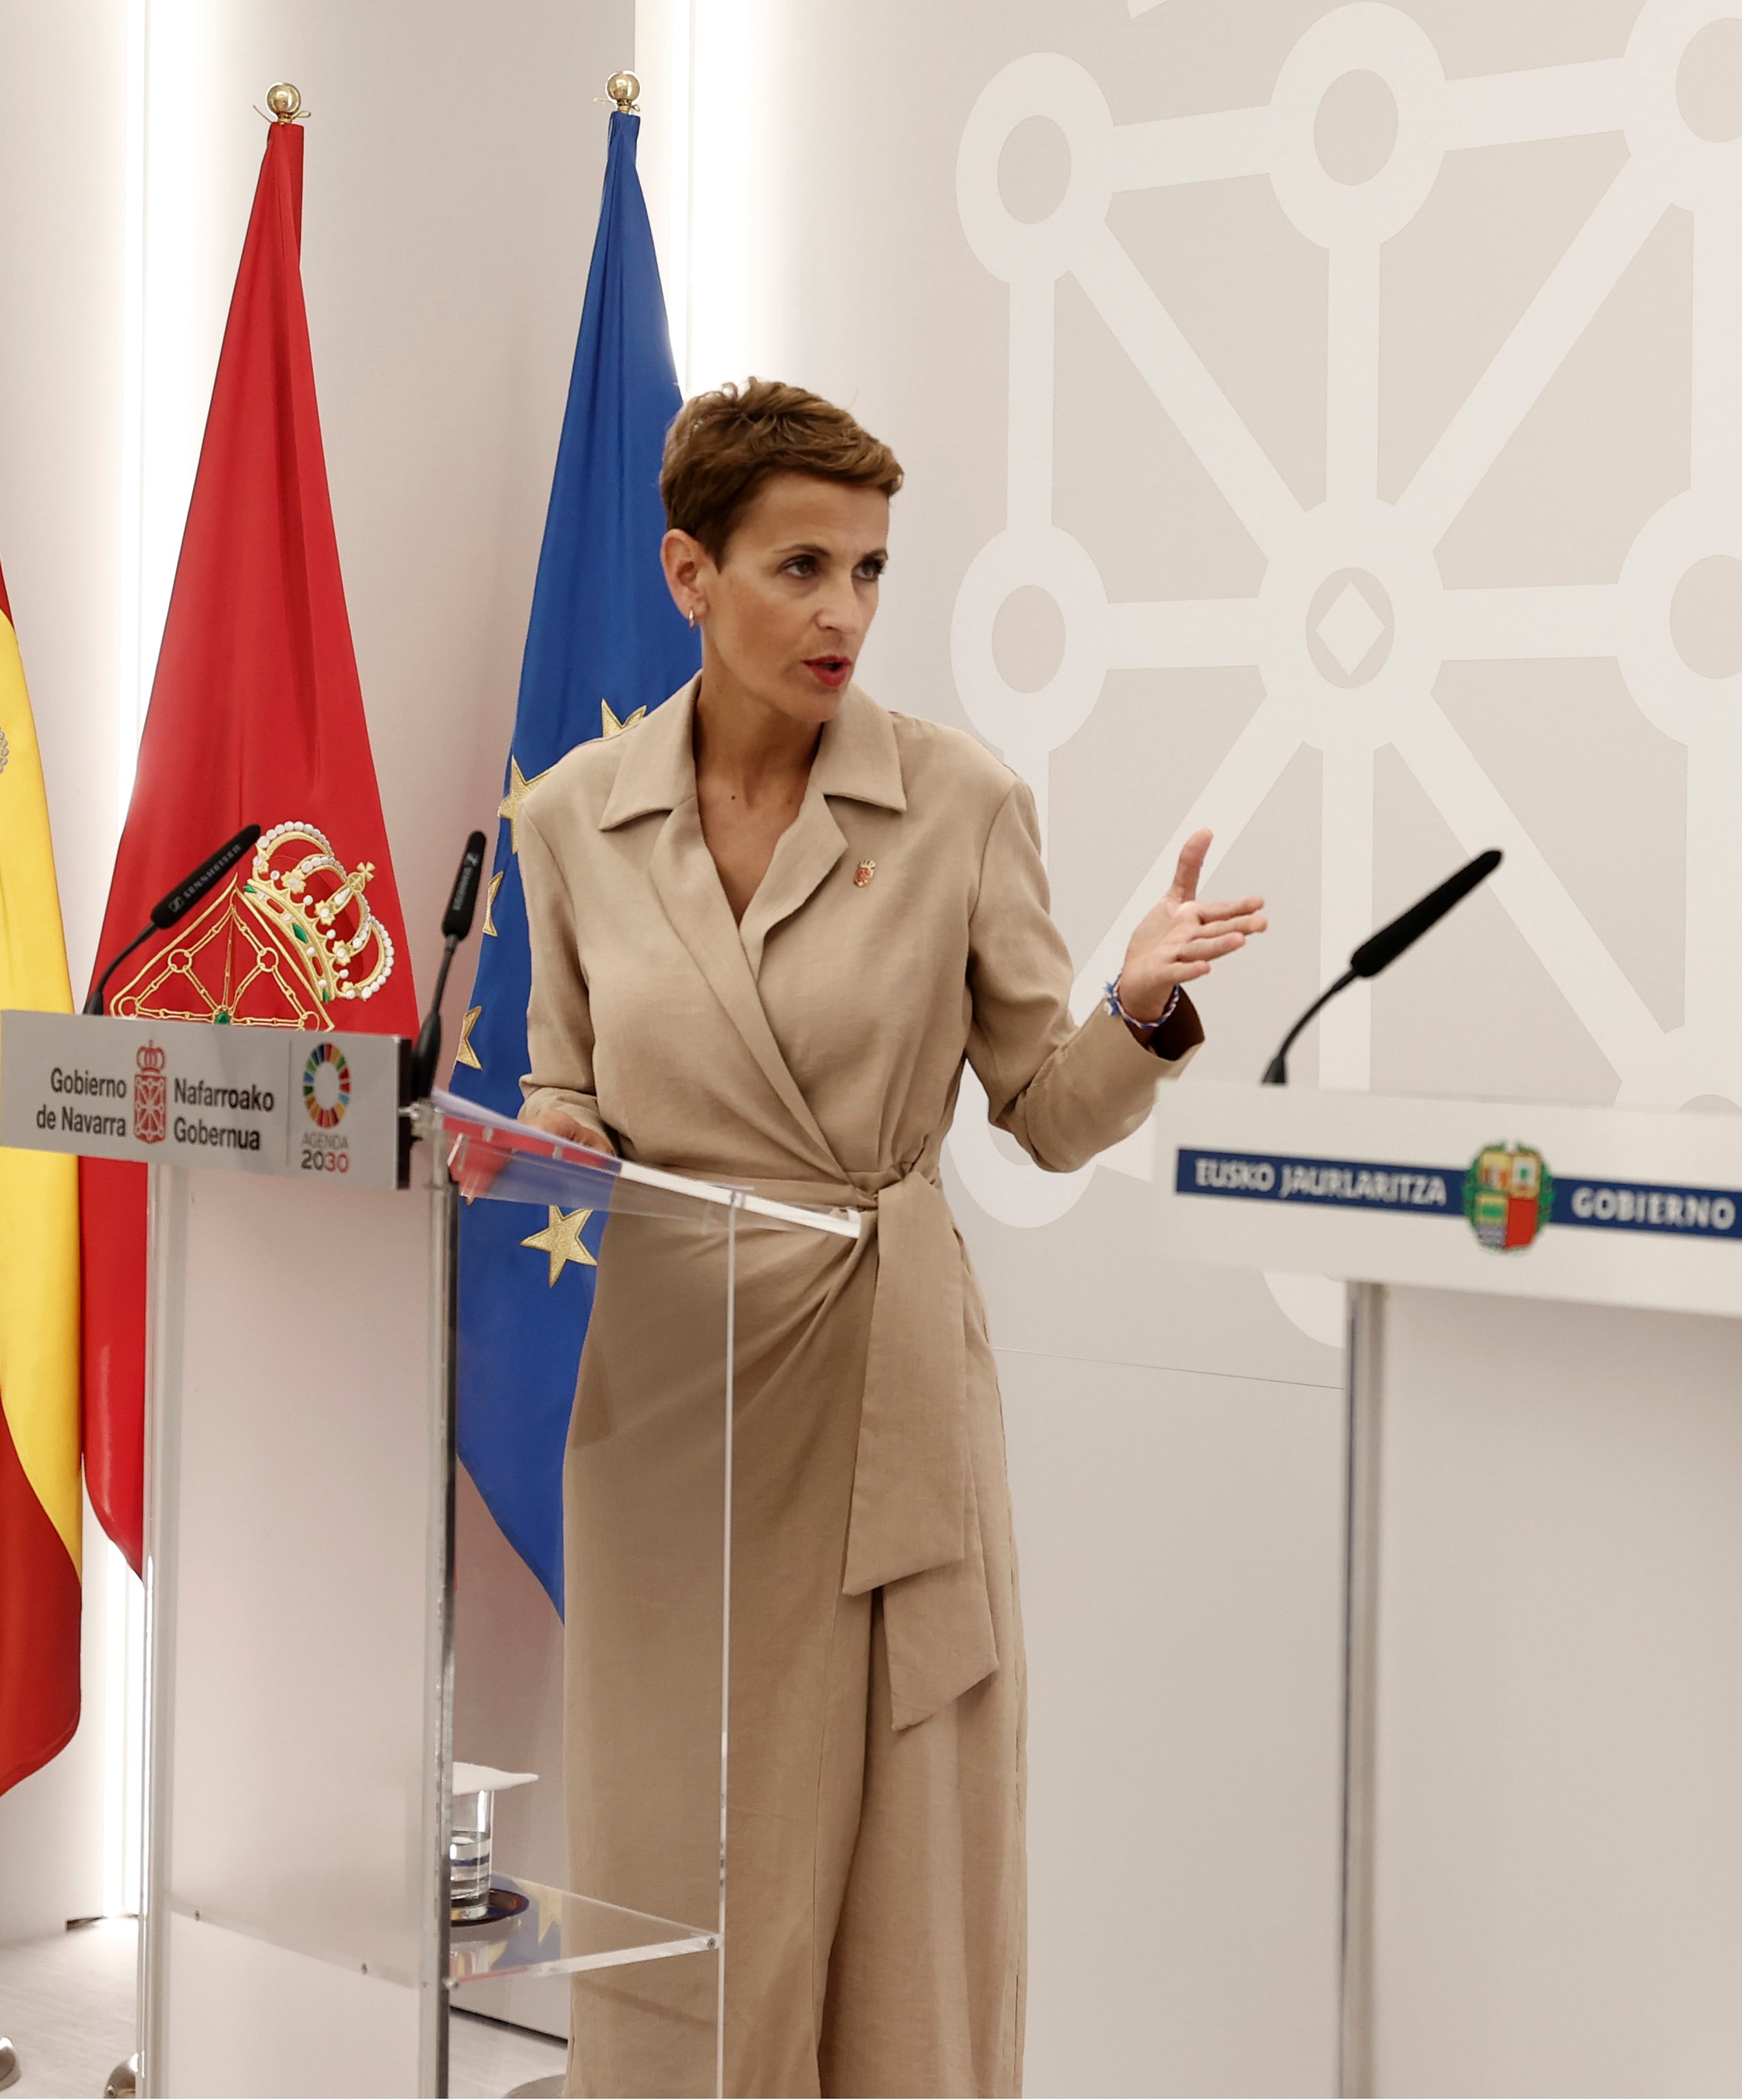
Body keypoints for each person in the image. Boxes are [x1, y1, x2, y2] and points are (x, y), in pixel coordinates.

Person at [507, 378, 1266, 2095]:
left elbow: (1049, 1116)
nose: (844, 613)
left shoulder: (960, 804)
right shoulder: (565, 819)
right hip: (668, 1395)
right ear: (688, 577)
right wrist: (527, 1149)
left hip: (879, 1382)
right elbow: (572, 1096)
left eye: (869, 570)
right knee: (670, 1835)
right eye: (799, 569)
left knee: (908, 1852)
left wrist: (1138, 1011)